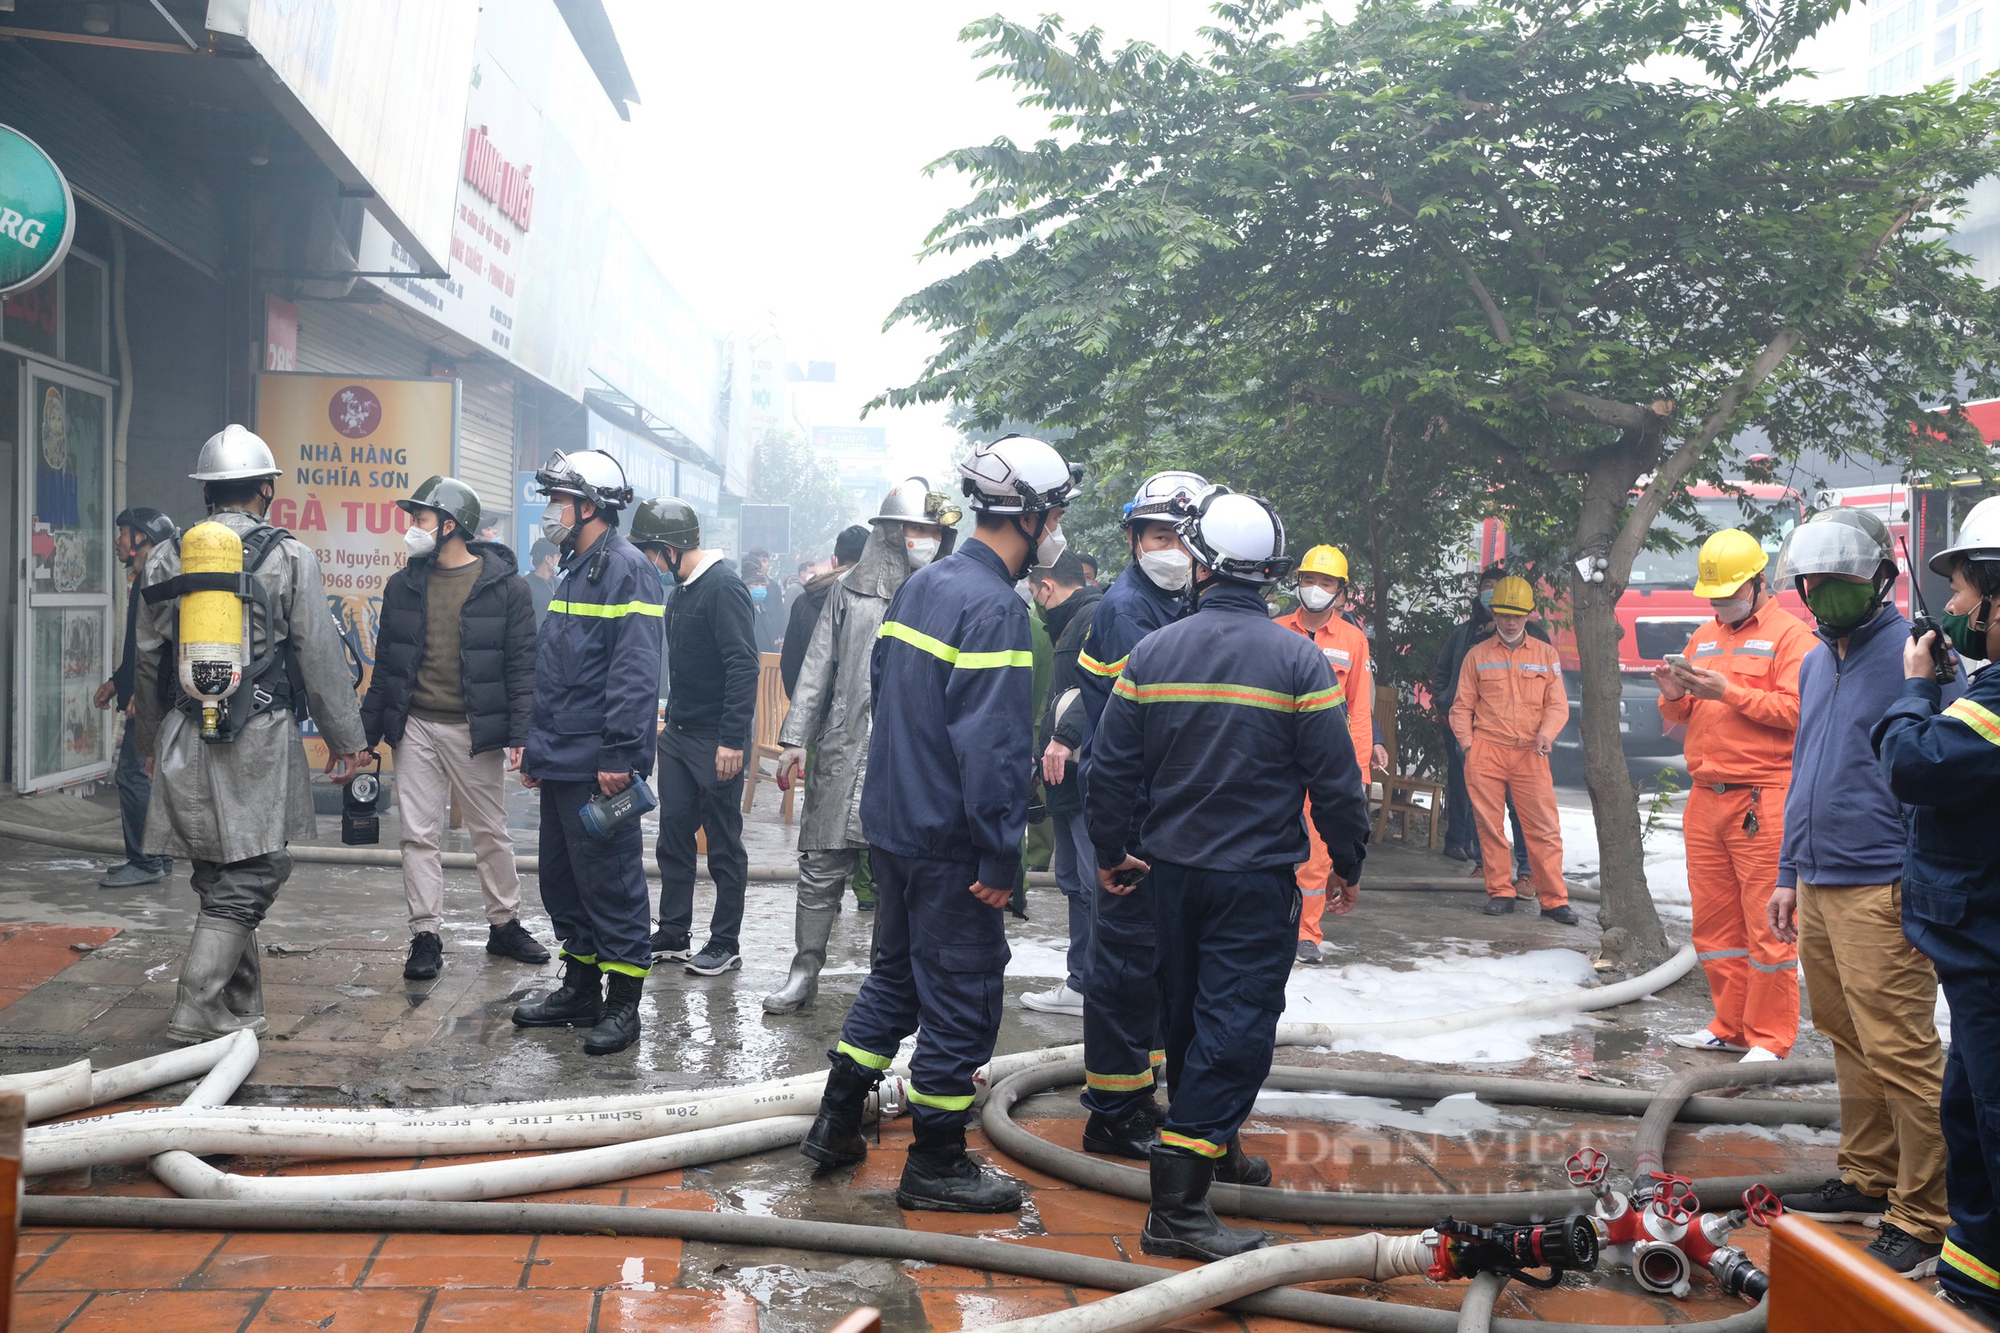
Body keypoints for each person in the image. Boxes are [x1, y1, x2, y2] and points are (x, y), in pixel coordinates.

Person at [1088, 485, 1370, 1261]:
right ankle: (1176, 1211)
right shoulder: (1298, 658)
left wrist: (1112, 852)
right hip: (1253, 880)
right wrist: (1348, 860)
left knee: (1185, 1020)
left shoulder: (1152, 652)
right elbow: (1336, 778)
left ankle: (1218, 1148)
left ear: (1202, 560)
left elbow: (1109, 771)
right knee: (1235, 1025)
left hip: (1169, 875)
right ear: (1273, 572)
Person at [799, 433, 1078, 1214]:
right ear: (1030, 517)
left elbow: (886, 694)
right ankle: (937, 1164)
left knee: (895, 975)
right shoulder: (994, 609)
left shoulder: (922, 587)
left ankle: (834, 1121)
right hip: (953, 842)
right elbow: (990, 752)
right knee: (962, 997)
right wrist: (1000, 857)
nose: (1056, 529)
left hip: (892, 828)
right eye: (1054, 514)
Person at [132, 425, 368, 1043]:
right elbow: (319, 655)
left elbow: (148, 659)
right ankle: (197, 1005)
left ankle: (238, 1008)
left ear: (208, 492)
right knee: (257, 867)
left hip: (185, 727)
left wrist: (150, 741)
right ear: (266, 489)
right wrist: (348, 741)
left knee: (217, 866)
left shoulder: (164, 555)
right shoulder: (290, 556)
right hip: (257, 733)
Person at [1768, 506, 1949, 1277]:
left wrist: (1920, 885)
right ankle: (1868, 1175)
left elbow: (1938, 777)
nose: (1826, 594)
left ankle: (1925, 1211)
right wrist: (1786, 873)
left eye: (1842, 581)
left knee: (1901, 1048)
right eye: (1815, 583)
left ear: (1881, 578)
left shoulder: (1918, 659)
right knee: (1845, 1034)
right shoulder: (1815, 660)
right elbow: (1807, 767)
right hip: (1819, 876)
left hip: (1884, 885)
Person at [1874, 495, 2000, 1322]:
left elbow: (1915, 765)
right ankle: (1971, 1282)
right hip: (1972, 948)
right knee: (1971, 1118)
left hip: (1988, 949)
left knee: (1991, 1119)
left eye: (1960, 591)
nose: (1950, 607)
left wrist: (1917, 689)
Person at [763, 482, 956, 1014]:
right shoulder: (848, 592)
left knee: (898, 877)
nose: (923, 540)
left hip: (911, 756)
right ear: (890, 532)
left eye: (932, 531)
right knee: (821, 867)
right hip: (846, 747)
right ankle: (803, 972)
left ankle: (886, 984)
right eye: (914, 529)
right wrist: (796, 739)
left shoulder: (948, 593)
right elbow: (817, 667)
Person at [1063, 470, 1208, 1159]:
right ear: (1132, 539)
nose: (1172, 547)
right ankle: (1114, 1111)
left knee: (1154, 966)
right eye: (1159, 534)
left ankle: (1140, 1092)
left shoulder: (1179, 604)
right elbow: (1135, 736)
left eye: (1184, 535)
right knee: (1123, 966)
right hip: (1136, 815)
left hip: (1166, 818)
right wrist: (1113, 837)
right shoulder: (1128, 611)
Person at [360, 476, 547, 982]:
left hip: (474, 729)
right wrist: (365, 736)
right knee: (418, 835)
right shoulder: (404, 585)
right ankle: (426, 935)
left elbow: (522, 667)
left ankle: (504, 924)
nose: (412, 529)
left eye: (420, 519)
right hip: (415, 725)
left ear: (449, 525)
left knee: (491, 831)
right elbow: (387, 667)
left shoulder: (506, 589)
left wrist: (521, 735)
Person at [511, 450, 662, 1057]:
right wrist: (536, 749)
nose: (551, 512)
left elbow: (634, 669)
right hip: (563, 755)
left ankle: (624, 1004)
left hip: (601, 760)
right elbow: (559, 669)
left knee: (613, 883)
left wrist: (621, 752)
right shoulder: (577, 565)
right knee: (564, 879)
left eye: (560, 501)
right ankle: (580, 987)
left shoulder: (628, 570)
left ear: (590, 507)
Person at [1652, 529, 1811, 1061]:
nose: (1721, 604)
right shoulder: (1705, 636)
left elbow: (1797, 712)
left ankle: (1768, 1038)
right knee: (1715, 924)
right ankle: (1729, 1025)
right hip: (1706, 796)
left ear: (1758, 582)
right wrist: (1674, 696)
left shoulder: (1793, 638)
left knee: (1767, 925)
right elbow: (1682, 717)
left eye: (1729, 594)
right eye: (1714, 597)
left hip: (1760, 798)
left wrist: (1731, 692)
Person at [628, 497, 759, 977]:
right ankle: (673, 932)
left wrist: (732, 740)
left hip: (714, 741)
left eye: (649, 552)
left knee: (724, 843)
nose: (647, 562)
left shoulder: (724, 588)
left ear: (670, 547)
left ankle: (725, 942)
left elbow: (743, 666)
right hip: (679, 735)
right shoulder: (682, 589)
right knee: (674, 836)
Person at [1275, 544, 1386, 964]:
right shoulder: (1277, 629)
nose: (1316, 589)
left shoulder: (1353, 641)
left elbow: (1359, 707)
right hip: (1277, 758)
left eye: (1326, 583)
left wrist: (1358, 771)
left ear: (1340, 591)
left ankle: (1307, 934)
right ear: (1297, 583)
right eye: (1309, 580)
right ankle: (1271, 926)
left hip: (1324, 761)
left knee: (1318, 852)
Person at [1448, 576, 1575, 923]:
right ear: (1494, 613)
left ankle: (1554, 900)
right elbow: (1461, 707)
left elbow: (1558, 704)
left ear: (1529, 614)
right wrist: (1469, 746)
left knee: (1544, 829)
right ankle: (1501, 892)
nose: (1511, 621)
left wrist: (1547, 733)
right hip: (1487, 748)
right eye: (1505, 614)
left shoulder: (1546, 655)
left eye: (1518, 614)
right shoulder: (1476, 655)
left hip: (1531, 752)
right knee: (1490, 827)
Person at [1020, 550, 1103, 1015]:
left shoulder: (1096, 617)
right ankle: (1081, 981)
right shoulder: (1069, 624)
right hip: (1065, 773)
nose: (1035, 604)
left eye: (1035, 594)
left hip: (1086, 769)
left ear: (1046, 586)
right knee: (1074, 880)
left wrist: (1063, 737)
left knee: (1094, 883)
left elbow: (1100, 687)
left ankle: (1099, 982)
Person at [1430, 566, 1533, 880]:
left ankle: (1526, 872)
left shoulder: (1534, 642)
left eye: (1496, 587)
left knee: (1518, 805)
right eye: (1486, 586)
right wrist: (1447, 707)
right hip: (1466, 729)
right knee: (1472, 794)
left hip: (1515, 737)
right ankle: (1477, 860)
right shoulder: (1464, 634)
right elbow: (1442, 675)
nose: (1490, 592)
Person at [96, 507, 177, 888]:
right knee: (149, 775)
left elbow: (159, 646)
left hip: (153, 696)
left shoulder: (155, 578)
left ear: (142, 538)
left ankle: (145, 861)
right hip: (147, 691)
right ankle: (159, 856)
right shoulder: (145, 576)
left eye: (123, 534)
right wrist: (117, 683)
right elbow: (135, 646)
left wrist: (142, 695)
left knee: (132, 773)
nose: (118, 542)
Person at [781, 525, 868, 698]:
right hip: (862, 716)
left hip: (812, 713)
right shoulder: (881, 602)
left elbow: (790, 665)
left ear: (835, 560)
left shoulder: (804, 602)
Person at [743, 548, 785, 654]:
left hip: (771, 641)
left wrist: (781, 635)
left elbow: (780, 612)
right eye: (755, 585)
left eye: (765, 561)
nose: (761, 564)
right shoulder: (740, 606)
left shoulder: (774, 587)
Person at [526, 538, 561, 623]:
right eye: (557, 556)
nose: (559, 561)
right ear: (548, 559)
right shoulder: (525, 585)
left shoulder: (560, 583)